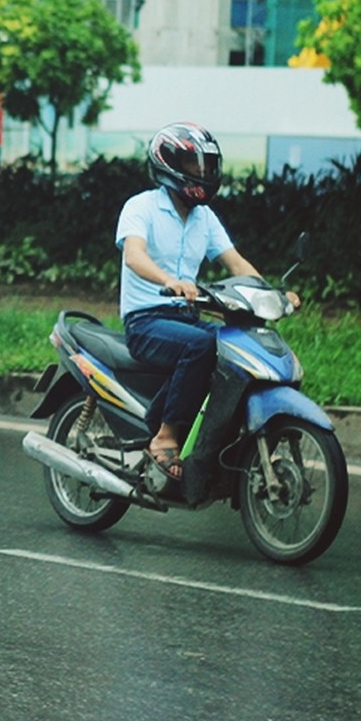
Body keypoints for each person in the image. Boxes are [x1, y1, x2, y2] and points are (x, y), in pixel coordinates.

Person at [117, 122, 299, 503]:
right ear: (169, 164)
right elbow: (135, 255)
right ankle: (165, 435)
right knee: (202, 346)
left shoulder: (204, 218)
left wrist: (273, 295)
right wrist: (171, 281)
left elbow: (236, 264)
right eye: (194, 165)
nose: (203, 174)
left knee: (236, 351)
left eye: (206, 166)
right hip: (147, 319)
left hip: (186, 318)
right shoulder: (141, 207)